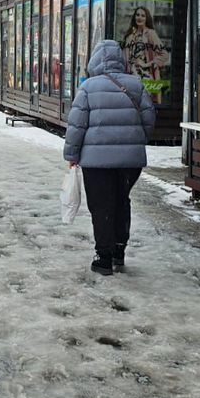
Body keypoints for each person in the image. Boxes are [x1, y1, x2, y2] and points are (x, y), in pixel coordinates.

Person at [63, 39, 155, 276]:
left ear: (94, 60)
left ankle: (103, 257)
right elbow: (149, 120)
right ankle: (118, 250)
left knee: (102, 205)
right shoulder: (136, 85)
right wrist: (134, 142)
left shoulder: (88, 88)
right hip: (129, 162)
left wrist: (72, 155)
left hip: (96, 162)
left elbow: (77, 125)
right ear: (120, 60)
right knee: (121, 201)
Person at [120, 6, 166, 102]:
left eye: (143, 15)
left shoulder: (150, 34)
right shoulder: (129, 35)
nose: (139, 18)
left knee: (144, 103)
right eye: (137, 15)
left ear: (146, 18)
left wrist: (146, 64)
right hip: (130, 76)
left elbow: (164, 54)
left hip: (145, 76)